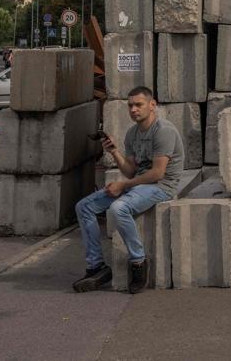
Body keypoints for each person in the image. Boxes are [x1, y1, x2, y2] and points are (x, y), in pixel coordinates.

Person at [72, 86, 185, 294]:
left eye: (138, 105)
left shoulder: (164, 131)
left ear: (152, 105)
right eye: (130, 105)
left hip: (161, 186)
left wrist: (122, 186)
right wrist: (114, 152)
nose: (133, 109)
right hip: (140, 185)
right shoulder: (132, 133)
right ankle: (96, 266)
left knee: (119, 208)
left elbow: (157, 173)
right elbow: (131, 171)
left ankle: (138, 262)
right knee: (84, 207)